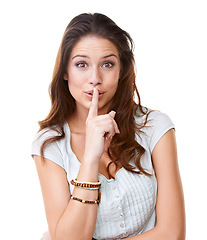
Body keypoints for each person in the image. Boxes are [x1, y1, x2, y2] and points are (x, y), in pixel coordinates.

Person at [32, 13, 185, 240]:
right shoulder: (50, 143)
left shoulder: (155, 127)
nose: (95, 78)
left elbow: (173, 234)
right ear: (65, 71)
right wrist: (91, 157)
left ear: (121, 70)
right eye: (81, 64)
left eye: (107, 64)